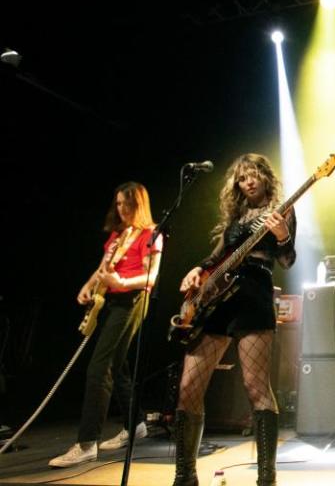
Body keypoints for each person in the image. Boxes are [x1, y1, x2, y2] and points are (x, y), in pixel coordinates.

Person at [172, 154, 296, 486]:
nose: (249, 181)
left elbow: (287, 259)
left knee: (256, 387)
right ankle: (185, 476)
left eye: (255, 174)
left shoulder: (282, 209)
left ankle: (266, 479)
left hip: (254, 294)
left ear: (266, 177)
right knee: (188, 387)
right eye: (243, 178)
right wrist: (197, 269)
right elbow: (217, 255)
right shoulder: (236, 216)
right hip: (218, 299)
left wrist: (283, 235)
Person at [49, 182, 163, 467]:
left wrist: (122, 282)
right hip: (111, 300)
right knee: (118, 363)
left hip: (133, 299)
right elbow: (103, 267)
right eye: (119, 204)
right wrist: (89, 285)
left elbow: (150, 278)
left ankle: (87, 443)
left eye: (127, 204)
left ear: (139, 205)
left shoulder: (152, 234)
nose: (122, 209)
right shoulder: (118, 235)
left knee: (99, 367)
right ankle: (135, 423)